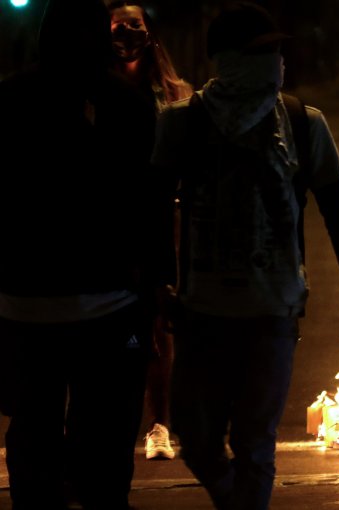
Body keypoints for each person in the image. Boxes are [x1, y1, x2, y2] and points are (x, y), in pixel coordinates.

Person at [151, 3, 339, 508]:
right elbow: (154, 207)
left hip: (273, 310)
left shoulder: (302, 122)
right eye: (261, 52)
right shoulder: (181, 123)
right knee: (194, 435)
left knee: (255, 443)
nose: (275, 61)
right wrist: (158, 283)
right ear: (226, 60)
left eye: (277, 50)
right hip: (200, 310)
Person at [0, 0, 162, 508]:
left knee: (32, 434)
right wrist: (155, 291)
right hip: (111, 305)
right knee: (106, 440)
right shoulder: (128, 103)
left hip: (24, 305)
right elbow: (149, 206)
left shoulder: (7, 98)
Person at [108, 0, 193, 462]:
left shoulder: (174, 93)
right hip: (111, 224)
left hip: (167, 220)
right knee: (119, 329)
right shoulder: (96, 92)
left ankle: (160, 424)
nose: (125, 33)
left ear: (149, 32)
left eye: (133, 25)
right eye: (117, 26)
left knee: (161, 326)